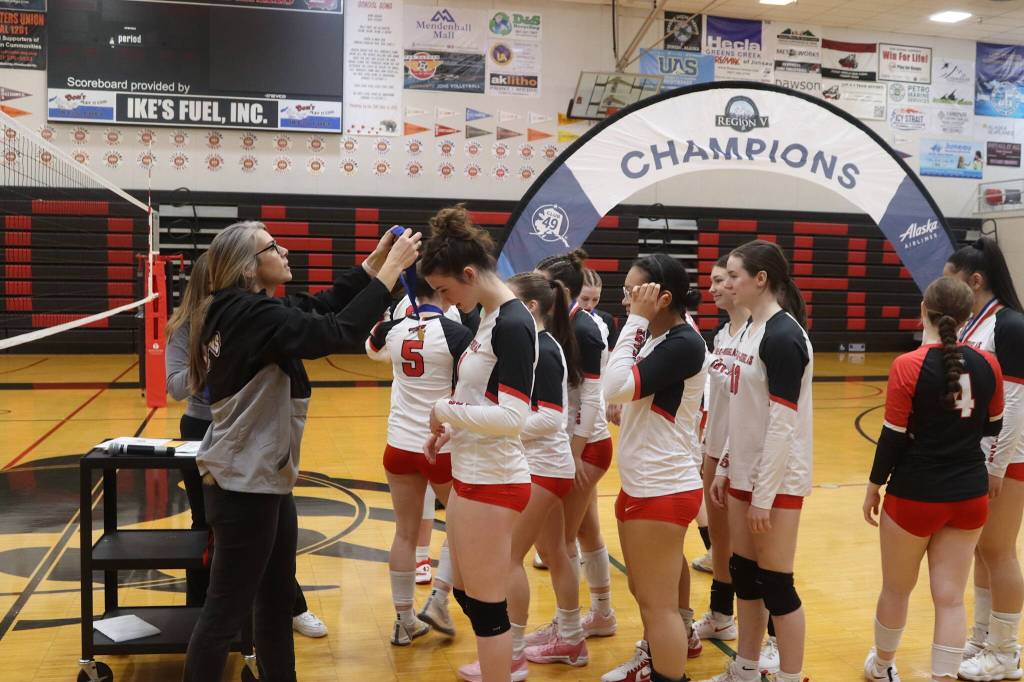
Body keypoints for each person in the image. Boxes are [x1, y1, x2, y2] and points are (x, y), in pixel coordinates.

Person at [181, 220, 420, 682]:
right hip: (242, 487)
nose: (285, 250)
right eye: (273, 246)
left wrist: (371, 265)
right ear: (250, 268)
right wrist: (391, 272)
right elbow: (337, 331)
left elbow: (317, 308)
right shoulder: (250, 317)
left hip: (263, 482)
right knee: (224, 615)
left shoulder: (243, 309)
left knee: (274, 604)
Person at [166, 252, 328, 638]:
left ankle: (292, 606)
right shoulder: (188, 328)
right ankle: (200, 610)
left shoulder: (254, 317)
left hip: (253, 431)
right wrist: (215, 361)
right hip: (204, 429)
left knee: (274, 523)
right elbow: (173, 386)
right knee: (206, 524)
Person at [863, 276, 1005, 682]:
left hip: (914, 495)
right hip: (968, 495)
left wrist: (874, 484)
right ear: (965, 316)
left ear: (924, 309)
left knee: (896, 589)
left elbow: (891, 437)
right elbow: (992, 427)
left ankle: (884, 666)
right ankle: (943, 676)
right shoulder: (987, 364)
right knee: (950, 598)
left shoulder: (907, 365)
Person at [421, 205, 539, 682]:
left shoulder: (512, 322)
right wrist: (455, 429)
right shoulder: (487, 317)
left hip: (496, 480)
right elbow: (480, 397)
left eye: (446, 289)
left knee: (488, 607)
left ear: (469, 274)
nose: (445, 300)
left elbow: (514, 417)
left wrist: (444, 412)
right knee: (467, 593)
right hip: (472, 471)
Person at [458, 272, 590, 676]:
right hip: (547, 467)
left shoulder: (544, 349)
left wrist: (498, 425)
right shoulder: (530, 343)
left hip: (543, 469)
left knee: (509, 559)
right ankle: (571, 639)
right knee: (556, 554)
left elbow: (550, 418)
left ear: (530, 307)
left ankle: (511, 653)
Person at [703, 240, 814, 682]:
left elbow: (782, 426)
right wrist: (727, 467)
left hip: (778, 482)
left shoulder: (785, 336)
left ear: (761, 279)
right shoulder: (749, 330)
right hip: (746, 475)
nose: (726, 284)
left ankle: (789, 675)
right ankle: (745, 669)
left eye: (733, 276)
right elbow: (742, 410)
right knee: (744, 576)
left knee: (777, 584)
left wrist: (763, 497)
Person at [600, 254, 709, 682]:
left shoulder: (683, 341)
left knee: (653, 602)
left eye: (634, 292)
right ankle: (678, 641)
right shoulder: (660, 338)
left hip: (663, 485)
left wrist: (635, 322)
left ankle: (668, 670)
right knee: (649, 592)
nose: (627, 301)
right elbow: (629, 389)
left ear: (662, 298)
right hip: (645, 481)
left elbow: (616, 384)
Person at [365, 269, 472, 646]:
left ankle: (403, 619)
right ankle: (439, 600)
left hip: (398, 446)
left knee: (404, 534)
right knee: (463, 528)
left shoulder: (392, 329)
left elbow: (371, 348)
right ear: (443, 290)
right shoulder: (458, 334)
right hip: (440, 447)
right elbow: (469, 388)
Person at [944, 238, 1024, 681]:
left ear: (975, 281)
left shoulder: (1010, 325)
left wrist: (996, 465)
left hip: (1008, 458)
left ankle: (1006, 652)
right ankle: (982, 638)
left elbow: (1014, 404)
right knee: (980, 550)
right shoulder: (972, 324)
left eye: (950, 278)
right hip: (979, 456)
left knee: (999, 550)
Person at [535, 250, 617, 639]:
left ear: (560, 289)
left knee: (560, 543)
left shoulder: (584, 329)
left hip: (586, 447)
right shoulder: (551, 322)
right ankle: (601, 614)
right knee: (586, 534)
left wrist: (574, 454)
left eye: (542, 281)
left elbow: (591, 398)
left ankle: (565, 626)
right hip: (575, 446)